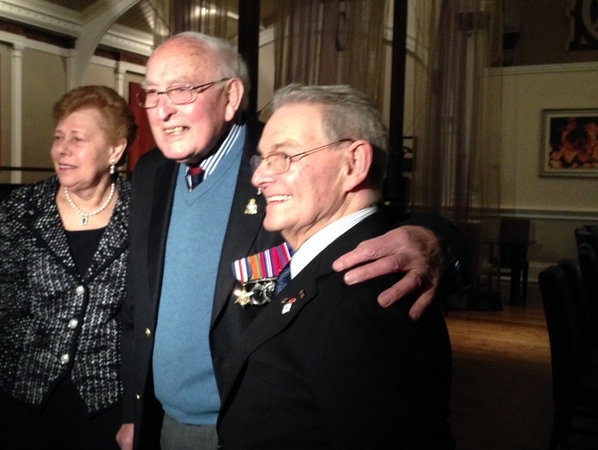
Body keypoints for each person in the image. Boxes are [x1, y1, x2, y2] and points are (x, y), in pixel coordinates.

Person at [118, 32, 466, 450]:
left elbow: (369, 221)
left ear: (231, 97)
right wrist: (134, 413)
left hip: (247, 422)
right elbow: (138, 299)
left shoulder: (289, 156)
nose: (162, 108)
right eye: (152, 92)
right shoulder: (150, 172)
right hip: (162, 420)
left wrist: (436, 242)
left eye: (181, 89)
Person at [215, 83, 454, 449]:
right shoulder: (322, 263)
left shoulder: (368, 298)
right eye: (262, 159)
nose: (259, 176)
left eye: (284, 156)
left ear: (354, 163)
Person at [0, 85, 136, 450]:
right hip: (20, 401)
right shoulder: (22, 208)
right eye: (59, 137)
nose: (62, 149)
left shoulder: (142, 212)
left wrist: (138, 412)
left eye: (78, 138)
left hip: (106, 409)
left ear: (115, 149)